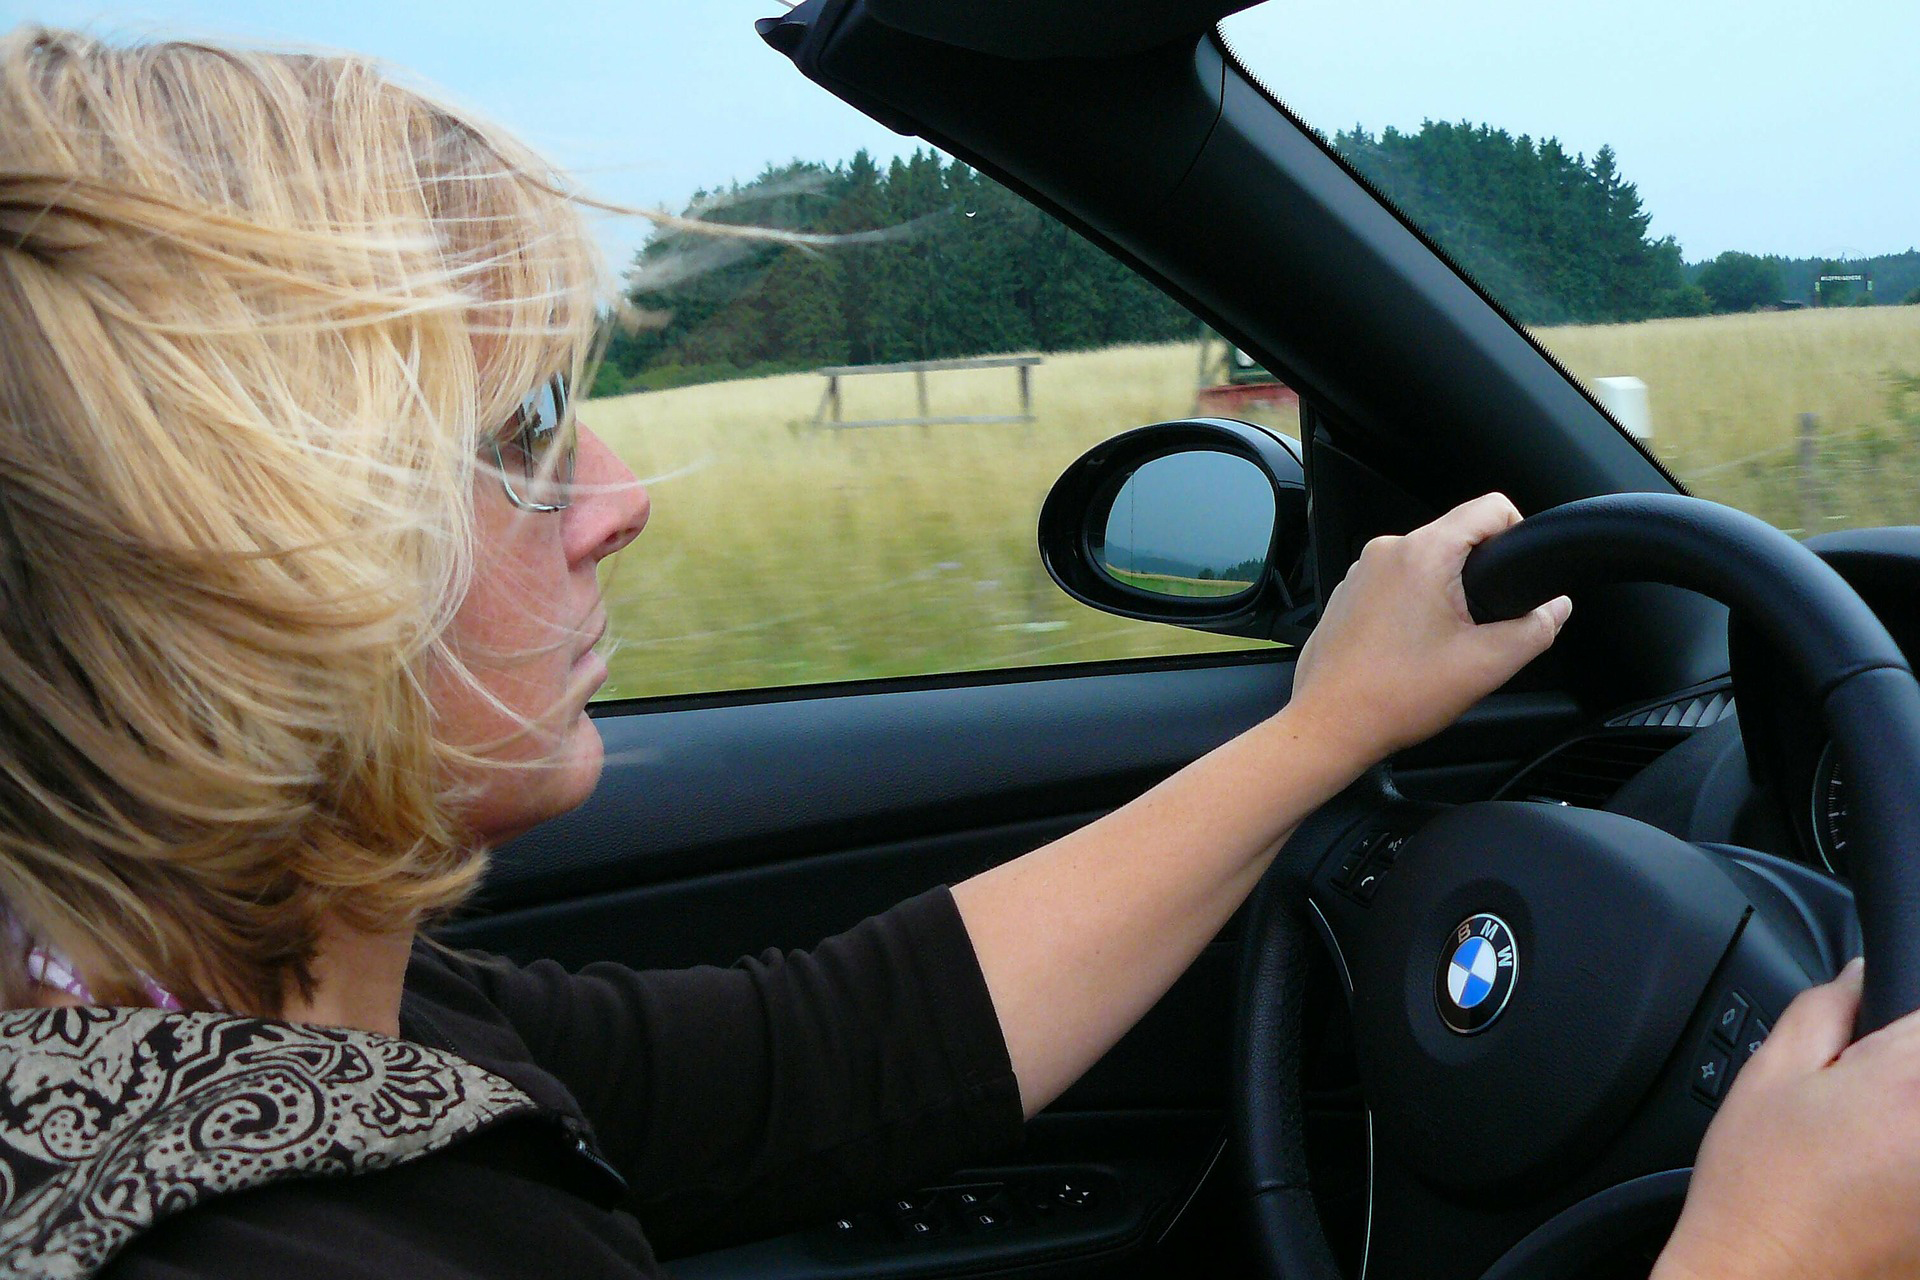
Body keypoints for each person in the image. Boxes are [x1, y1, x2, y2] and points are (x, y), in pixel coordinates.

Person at [0, 25, 1918, 1280]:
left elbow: (832, 1058)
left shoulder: (263, 1017)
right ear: (253, 564)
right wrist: (1762, 1256)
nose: (617, 495)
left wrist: (1327, 729)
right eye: (516, 438)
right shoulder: (248, 1242)